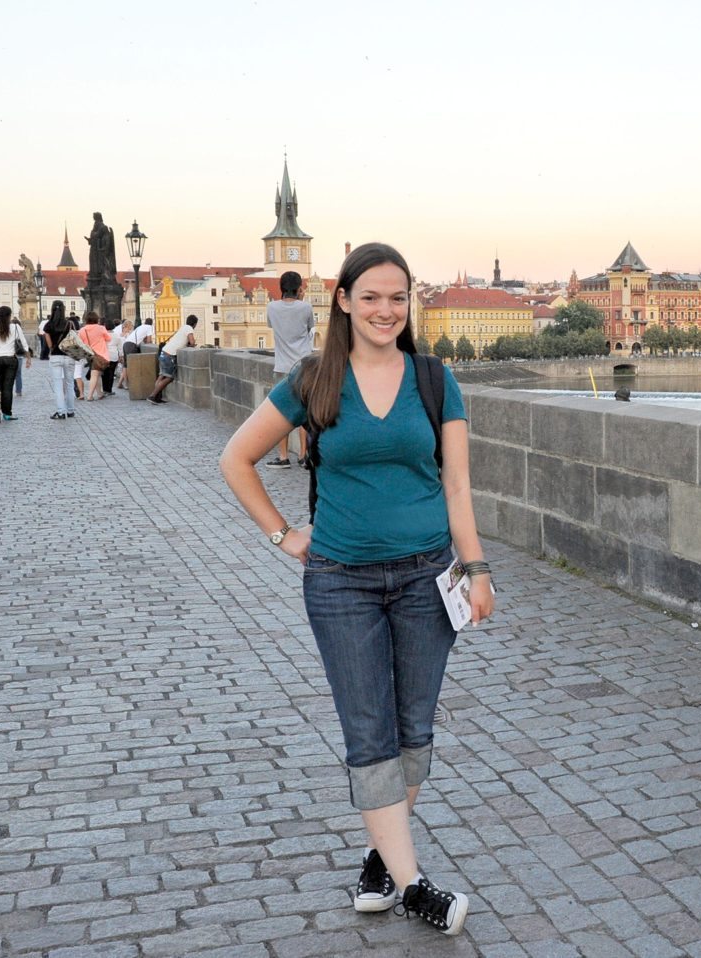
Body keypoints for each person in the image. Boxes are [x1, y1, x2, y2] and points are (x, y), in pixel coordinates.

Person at [219, 242, 493, 937]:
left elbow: (457, 485)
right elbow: (237, 457)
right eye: (369, 296)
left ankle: (378, 855)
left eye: (397, 297)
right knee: (370, 731)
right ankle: (413, 884)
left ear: (409, 303)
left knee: (412, 731)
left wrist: (478, 568)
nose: (384, 309)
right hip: (341, 582)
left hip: (427, 577)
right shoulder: (316, 380)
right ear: (342, 300)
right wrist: (284, 535)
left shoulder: (434, 379)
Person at [266, 270, 315, 468]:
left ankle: (283, 456)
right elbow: (310, 327)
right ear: (299, 288)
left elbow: (272, 325)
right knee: (304, 409)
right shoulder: (306, 307)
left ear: (281, 288)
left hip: (283, 366)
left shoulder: (272, 307)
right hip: (303, 365)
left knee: (282, 411)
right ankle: (303, 455)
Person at [0, 306, 32, 420]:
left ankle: (1, 409)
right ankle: (7, 413)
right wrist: (28, 357)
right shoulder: (15, 327)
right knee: (8, 387)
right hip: (11, 359)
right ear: (9, 316)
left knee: (1, 386)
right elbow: (23, 343)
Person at [147, 315, 198, 404]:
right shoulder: (189, 328)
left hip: (164, 352)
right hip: (169, 355)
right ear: (194, 324)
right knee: (169, 378)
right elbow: (192, 342)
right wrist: (191, 345)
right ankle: (152, 396)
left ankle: (157, 397)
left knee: (162, 376)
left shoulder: (183, 327)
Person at [42, 302, 77, 420]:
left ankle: (61, 412)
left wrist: (53, 348)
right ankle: (71, 410)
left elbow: (50, 345)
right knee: (70, 383)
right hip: (69, 355)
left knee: (58, 385)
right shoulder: (69, 324)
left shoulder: (48, 325)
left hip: (56, 356)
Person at [77, 312, 111, 401]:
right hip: (100, 354)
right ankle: (90, 395)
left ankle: (100, 393)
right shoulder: (101, 328)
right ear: (96, 319)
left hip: (89, 354)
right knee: (95, 375)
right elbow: (108, 339)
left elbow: (80, 343)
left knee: (97, 374)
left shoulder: (82, 330)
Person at [113, 319, 133, 389]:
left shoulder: (125, 333)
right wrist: (120, 355)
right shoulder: (118, 333)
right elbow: (118, 345)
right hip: (121, 352)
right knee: (125, 368)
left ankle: (120, 383)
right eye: (129, 328)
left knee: (124, 368)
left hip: (123, 351)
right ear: (126, 327)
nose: (130, 330)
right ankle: (125, 384)